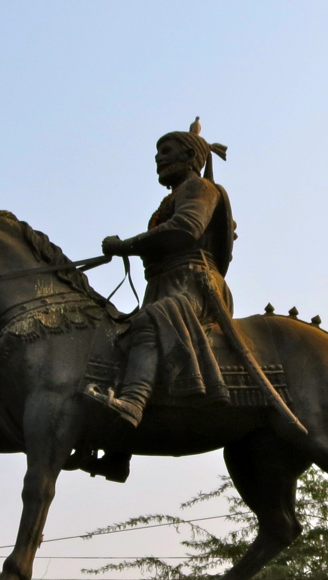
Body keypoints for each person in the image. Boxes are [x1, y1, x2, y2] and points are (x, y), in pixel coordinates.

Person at [85, 118, 236, 435]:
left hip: (194, 284)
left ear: (189, 156)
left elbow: (185, 228)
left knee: (150, 320)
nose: (159, 158)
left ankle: (133, 403)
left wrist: (126, 245)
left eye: (167, 151)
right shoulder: (174, 195)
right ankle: (116, 443)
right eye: (158, 153)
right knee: (121, 337)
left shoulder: (199, 187)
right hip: (165, 284)